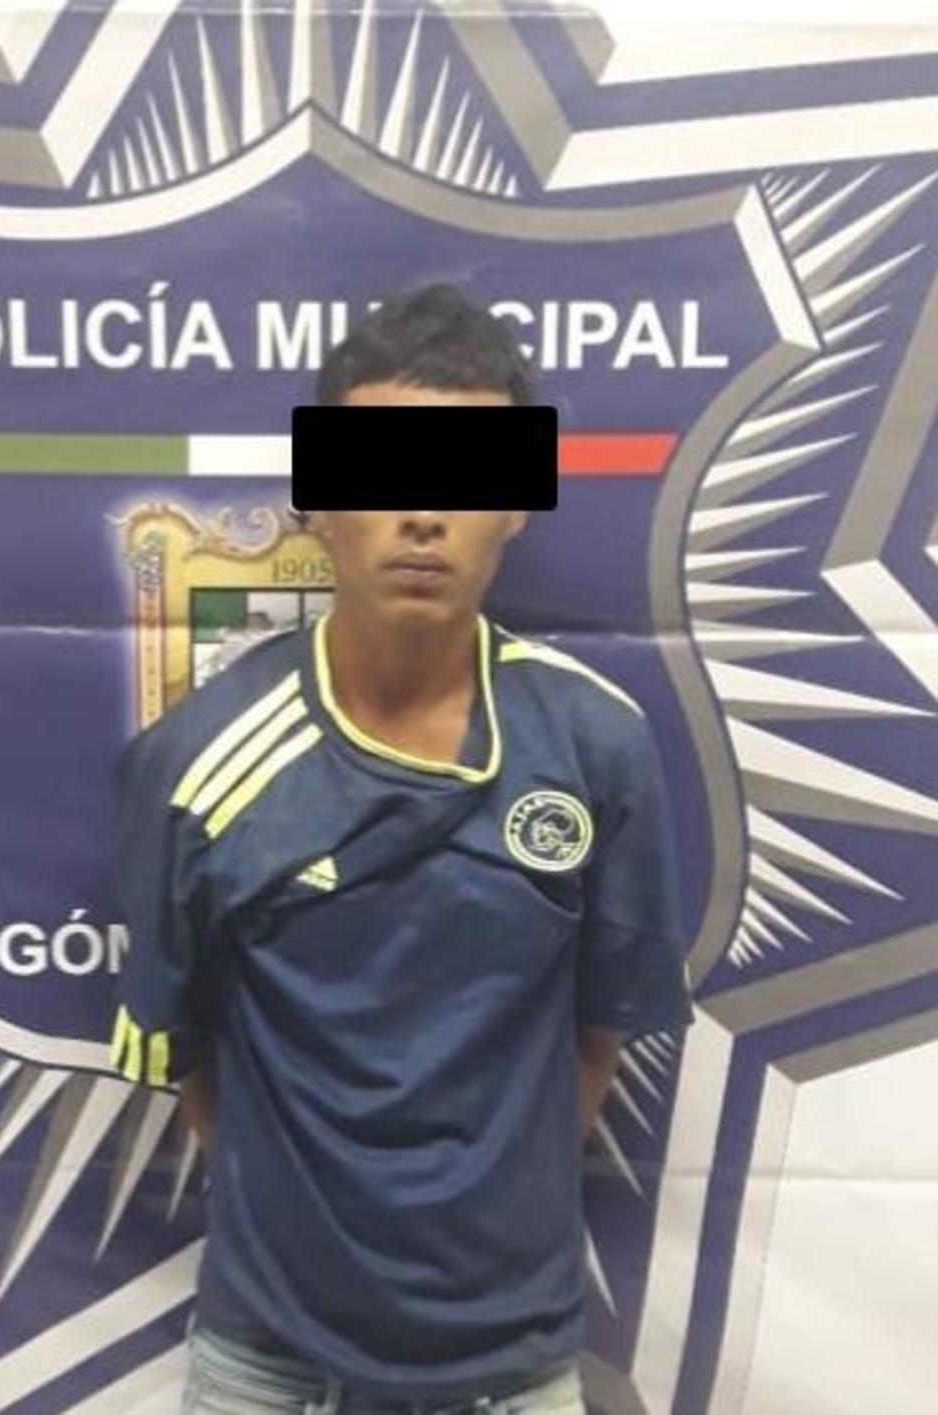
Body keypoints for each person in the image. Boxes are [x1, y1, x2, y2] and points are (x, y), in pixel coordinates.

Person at [108, 284, 695, 1415]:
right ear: (318, 495)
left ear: (515, 505)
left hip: (515, 1367)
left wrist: (472, 1225)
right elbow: (196, 1054)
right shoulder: (193, 762)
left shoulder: (595, 747)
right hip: (266, 1363)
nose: (423, 513)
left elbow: (597, 1036)